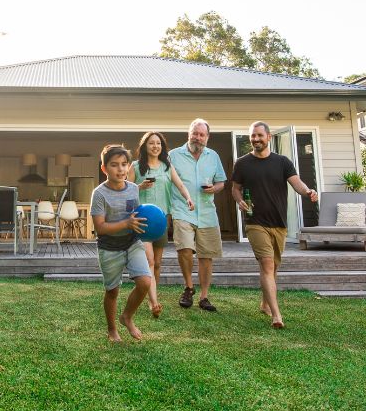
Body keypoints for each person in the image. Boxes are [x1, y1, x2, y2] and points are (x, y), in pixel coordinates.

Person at [231, 121, 318, 329]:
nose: (256, 139)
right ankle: (276, 315)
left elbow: (297, 183)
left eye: (260, 135)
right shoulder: (242, 163)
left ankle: (264, 303)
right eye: (253, 136)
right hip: (255, 222)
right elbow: (235, 188)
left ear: (269, 137)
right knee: (267, 264)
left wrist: (308, 192)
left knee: (273, 267)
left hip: (279, 223)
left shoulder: (282, 162)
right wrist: (239, 200)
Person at [128, 131, 195, 318]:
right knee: (149, 261)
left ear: (162, 147)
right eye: (151, 143)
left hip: (162, 220)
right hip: (142, 220)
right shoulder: (136, 166)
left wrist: (188, 198)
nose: (155, 146)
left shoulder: (167, 166)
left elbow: (180, 184)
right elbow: (124, 189)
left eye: (158, 143)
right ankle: (153, 302)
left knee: (157, 263)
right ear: (145, 147)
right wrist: (139, 187)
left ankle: (151, 295)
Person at [90, 143, 152, 342]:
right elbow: (100, 227)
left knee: (144, 282)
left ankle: (127, 317)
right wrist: (126, 222)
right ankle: (112, 329)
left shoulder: (134, 189)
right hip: (109, 247)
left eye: (124, 164)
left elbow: (136, 215)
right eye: (115, 165)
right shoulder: (99, 194)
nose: (121, 169)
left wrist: (147, 225)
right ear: (104, 168)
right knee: (112, 291)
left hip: (132, 242)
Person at [168, 118, 226, 312]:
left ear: (207, 137)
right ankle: (189, 287)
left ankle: (204, 296)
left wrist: (214, 189)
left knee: (206, 255)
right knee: (184, 247)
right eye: (195, 133)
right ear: (189, 134)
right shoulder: (174, 156)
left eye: (202, 135)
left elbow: (221, 183)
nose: (198, 138)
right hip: (182, 209)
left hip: (207, 213)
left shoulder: (213, 156)